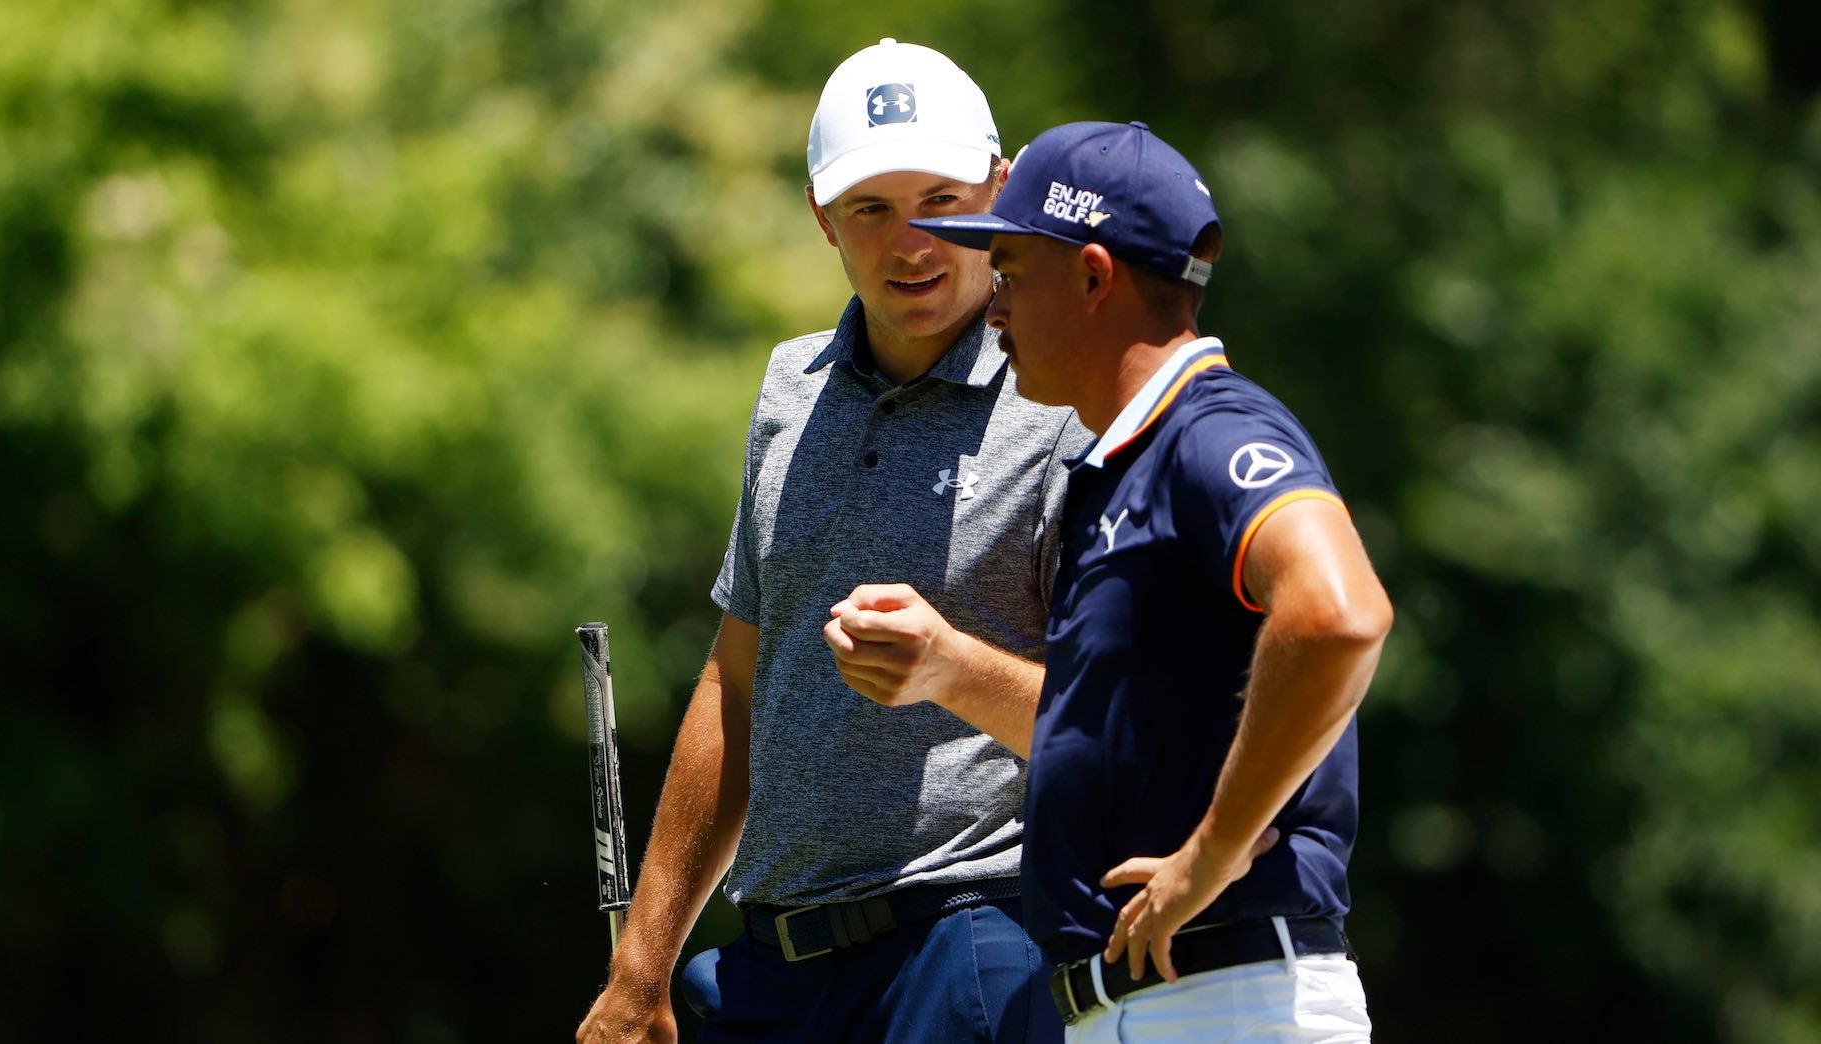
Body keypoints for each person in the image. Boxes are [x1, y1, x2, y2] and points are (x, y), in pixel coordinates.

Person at [575, 40, 1087, 1044]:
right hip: (773, 968)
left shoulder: (1066, 401)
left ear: (999, 188)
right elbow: (736, 680)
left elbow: (1121, 722)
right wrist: (641, 969)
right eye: (871, 209)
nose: (912, 243)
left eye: (942, 200)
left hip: (969, 942)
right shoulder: (790, 391)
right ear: (821, 217)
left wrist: (950, 668)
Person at [913, 121, 1393, 1041]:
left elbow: (1339, 614)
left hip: (1226, 1001)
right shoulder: (1121, 464)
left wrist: (1211, 853)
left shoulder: (1210, 429)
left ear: (1094, 277)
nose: (993, 308)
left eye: (1010, 272)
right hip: (1154, 1005)